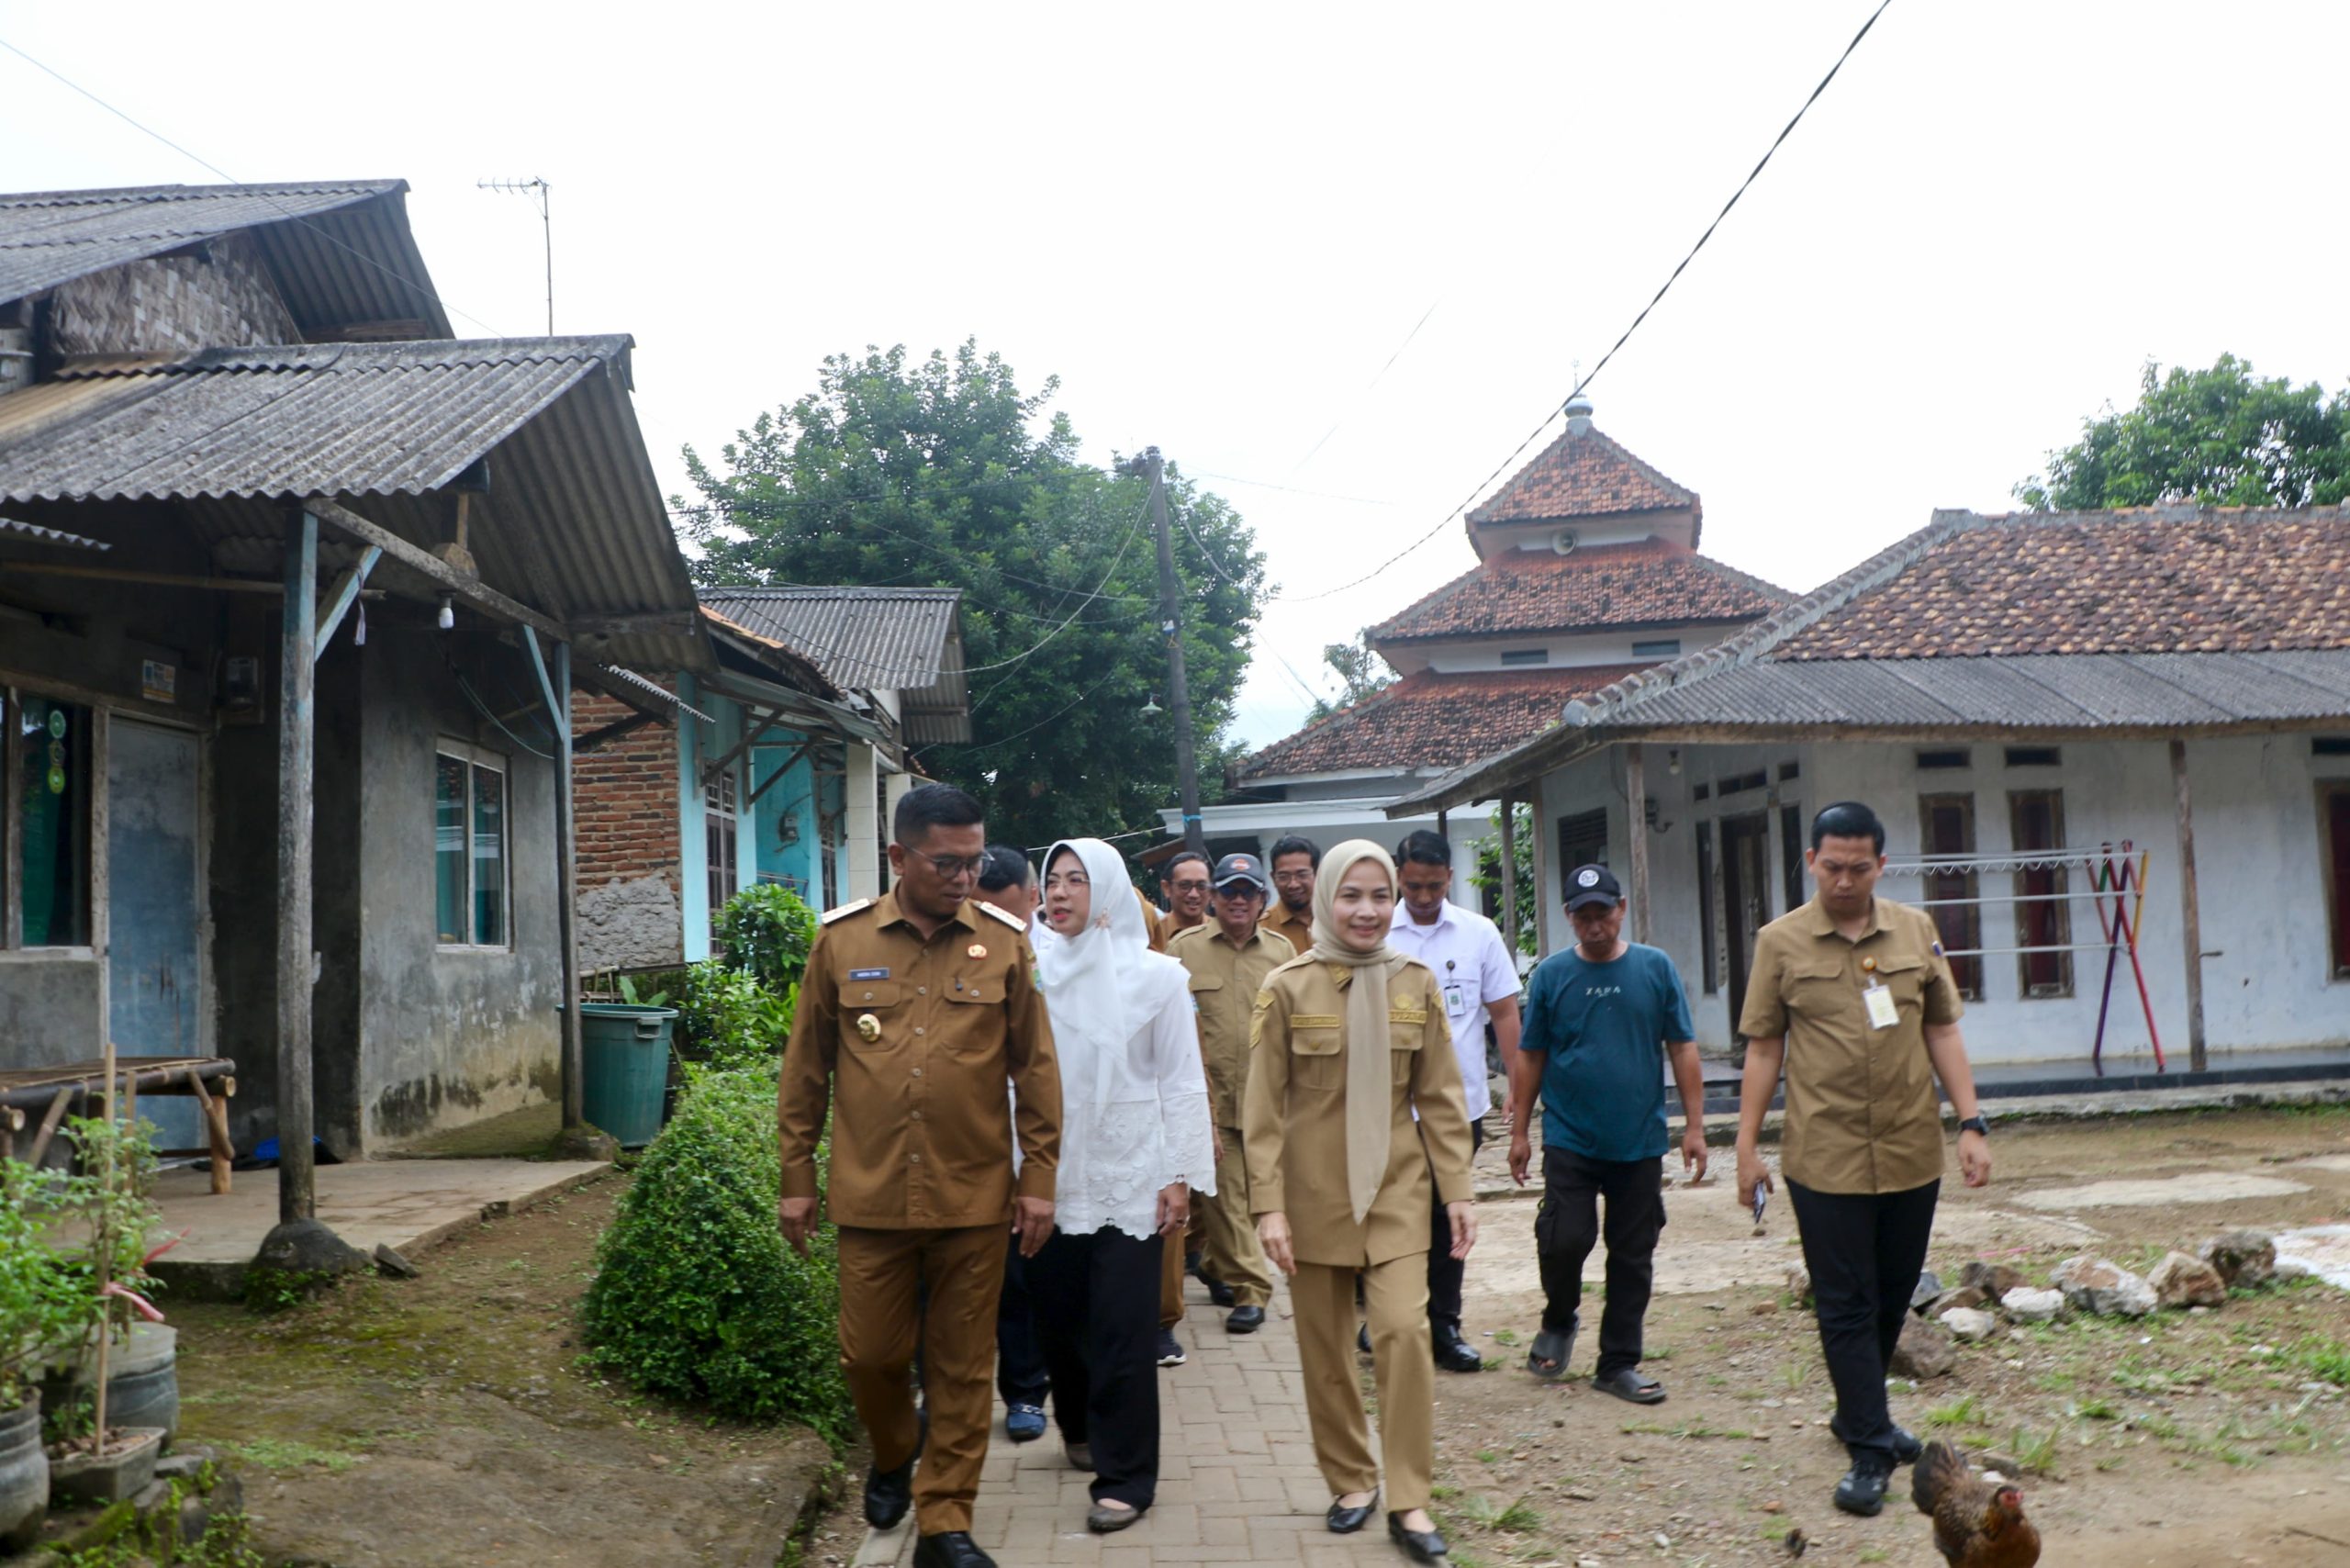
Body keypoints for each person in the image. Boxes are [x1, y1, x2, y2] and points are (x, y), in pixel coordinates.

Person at [778, 785, 1058, 1568]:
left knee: (962, 1369)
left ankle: (944, 1523)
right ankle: (896, 1449)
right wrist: (796, 1176)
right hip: (871, 1194)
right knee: (870, 1357)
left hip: (974, 1196)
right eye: (947, 863)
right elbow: (805, 1069)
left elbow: (1036, 1070)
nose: (965, 877)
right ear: (899, 856)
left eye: (974, 861)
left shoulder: (1005, 944)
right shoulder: (841, 942)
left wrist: (1038, 1179)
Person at [1734, 801, 1993, 1520]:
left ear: (1881, 865)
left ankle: (1858, 1413)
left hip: (1911, 1148)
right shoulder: (1780, 942)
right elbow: (1764, 1048)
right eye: (1831, 867)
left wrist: (1971, 1122)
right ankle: (1871, 1449)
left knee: (1889, 1293)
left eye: (1858, 868)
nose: (1844, 881)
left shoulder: (1915, 930)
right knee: (1845, 1301)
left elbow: (1942, 1030)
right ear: (1810, 862)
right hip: (1824, 1153)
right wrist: (1747, 1147)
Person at [1248, 840, 1477, 1565]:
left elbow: (1441, 1099)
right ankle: (1351, 1479)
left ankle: (1409, 1498)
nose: (1368, 910)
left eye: (1380, 896)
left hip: (1398, 1193)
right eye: (1352, 895)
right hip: (1312, 1197)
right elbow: (1263, 1110)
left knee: (1404, 1332)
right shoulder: (1287, 987)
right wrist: (1267, 1207)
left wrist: (1458, 1191)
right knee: (1325, 1351)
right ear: (1326, 899)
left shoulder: (1416, 982)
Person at [1029, 837, 1217, 1534]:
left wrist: (1178, 1175)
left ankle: (1127, 1477)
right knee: (1058, 1322)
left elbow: (1181, 1079)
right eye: (1053, 879)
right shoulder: (1034, 971)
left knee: (1122, 1330)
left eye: (1077, 880)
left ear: (1107, 891)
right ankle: (1078, 1426)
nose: (1060, 892)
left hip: (1132, 1172)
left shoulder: (1158, 978)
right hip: (1051, 1173)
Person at [1505, 864, 1705, 1404]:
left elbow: (1682, 1046)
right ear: (1568, 917)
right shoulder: (1551, 976)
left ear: (1621, 909)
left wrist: (1694, 1127)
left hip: (1638, 1140)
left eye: (1603, 914)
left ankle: (1618, 1362)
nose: (1595, 926)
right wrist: (1520, 1132)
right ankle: (1559, 1317)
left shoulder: (1655, 968)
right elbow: (1531, 1054)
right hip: (1570, 1136)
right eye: (1583, 916)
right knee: (1564, 1237)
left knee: (1633, 1253)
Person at [1386, 830, 1523, 1373]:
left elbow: (1504, 1012)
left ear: (1449, 878)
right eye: (1414, 886)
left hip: (1456, 1108)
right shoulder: (1377, 932)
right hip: (1388, 1108)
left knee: (1448, 1216)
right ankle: (1391, 1315)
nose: (1424, 897)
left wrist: (1517, 1085)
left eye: (1435, 887)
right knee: (1394, 1212)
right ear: (1399, 877)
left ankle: (1444, 1324)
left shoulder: (1478, 933)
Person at [1166, 853, 1291, 1335]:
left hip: (1266, 1103)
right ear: (1214, 898)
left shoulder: (1282, 953)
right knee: (1227, 1201)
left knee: (1251, 1200)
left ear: (1263, 899)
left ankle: (1216, 1264)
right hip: (1210, 1104)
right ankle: (1253, 1290)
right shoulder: (1182, 950)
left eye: (1248, 892)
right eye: (1229, 891)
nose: (1238, 900)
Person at [971, 846, 1052, 1445]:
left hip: (1039, 1140)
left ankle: (1030, 1389)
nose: (997, 926)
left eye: (1009, 913)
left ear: (1033, 898)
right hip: (972, 1140)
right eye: (985, 913)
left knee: (1028, 1276)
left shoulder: (1060, 956)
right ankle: (958, 1396)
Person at [1152, 847, 1214, 1359]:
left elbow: (1189, 1060)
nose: (1194, 894)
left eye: (1201, 884)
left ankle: (1162, 1321)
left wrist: (1202, 1122)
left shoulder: (1166, 974)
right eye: (1184, 884)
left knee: (1174, 1219)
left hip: (1164, 1116)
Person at [1261, 834, 1319, 955]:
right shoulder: (1262, 929)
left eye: (1302, 875)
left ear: (1317, 874)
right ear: (1273, 878)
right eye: (1284, 876)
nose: (1293, 884)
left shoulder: (1336, 919)